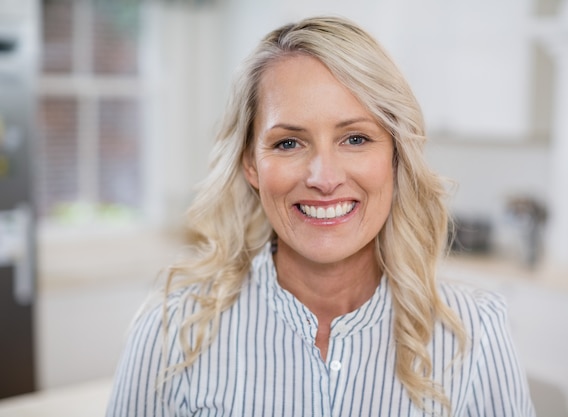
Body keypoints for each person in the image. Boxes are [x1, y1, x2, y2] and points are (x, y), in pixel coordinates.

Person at [106, 15, 536, 417]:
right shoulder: (173, 330)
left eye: (355, 138)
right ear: (251, 164)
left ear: (396, 155)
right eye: (289, 143)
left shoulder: (475, 331)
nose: (324, 178)